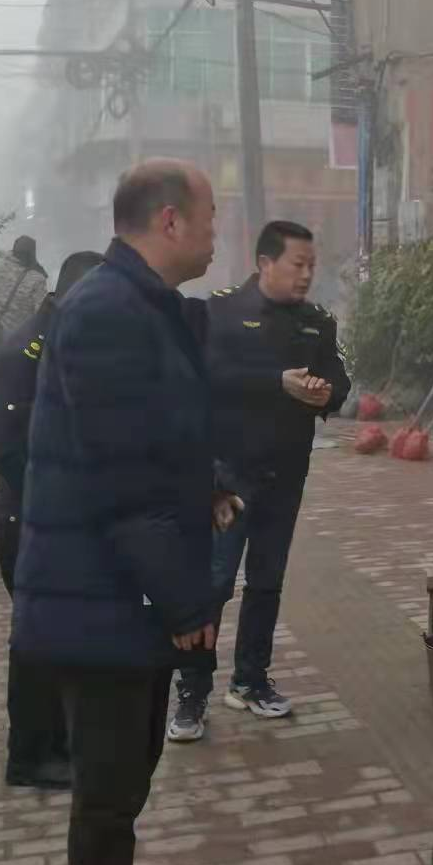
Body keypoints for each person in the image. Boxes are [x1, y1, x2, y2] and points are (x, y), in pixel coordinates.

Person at [11, 162, 237, 865]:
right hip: (100, 594)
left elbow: (159, 439)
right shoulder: (107, 311)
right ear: (169, 221)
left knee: (124, 778)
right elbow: (123, 482)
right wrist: (182, 603)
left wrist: (208, 482)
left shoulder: (143, 305)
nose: (216, 232)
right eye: (210, 216)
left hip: (117, 590)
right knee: (107, 789)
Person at [167, 220, 350, 741]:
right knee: (214, 583)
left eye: (312, 265)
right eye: (298, 264)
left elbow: (339, 379)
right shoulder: (221, 312)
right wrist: (277, 382)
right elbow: (205, 377)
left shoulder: (316, 321)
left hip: (285, 474)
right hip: (229, 477)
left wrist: (327, 393)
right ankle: (192, 692)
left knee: (267, 582)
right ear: (265, 262)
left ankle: (250, 680)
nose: (307, 275)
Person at [0, 249, 105, 791]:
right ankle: (31, 755)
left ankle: (59, 741)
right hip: (29, 521)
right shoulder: (24, 353)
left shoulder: (70, 342)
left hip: (62, 521)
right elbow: (1, 450)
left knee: (61, 635)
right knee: (37, 640)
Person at [0, 235, 48, 436]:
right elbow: (41, 312)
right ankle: (2, 429)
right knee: (9, 385)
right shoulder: (37, 279)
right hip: (12, 342)